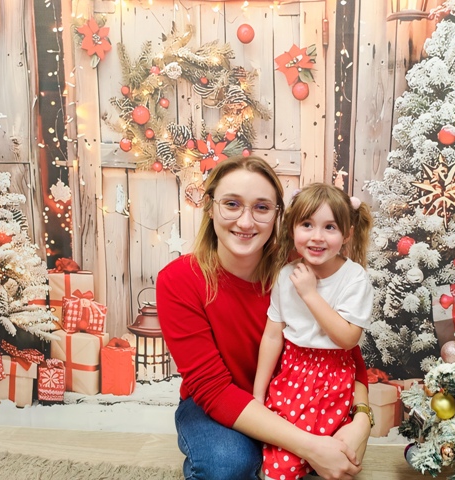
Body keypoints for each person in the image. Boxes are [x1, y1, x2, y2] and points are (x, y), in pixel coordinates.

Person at [156, 155, 373, 480]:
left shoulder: (300, 269)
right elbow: (212, 389)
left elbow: (343, 349)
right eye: (231, 204)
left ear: (277, 215)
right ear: (210, 207)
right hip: (216, 404)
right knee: (228, 465)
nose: (246, 222)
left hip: (293, 398)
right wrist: (311, 446)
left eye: (261, 207)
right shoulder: (179, 280)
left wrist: (363, 420)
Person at [253, 183, 374, 480]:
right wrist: (257, 396)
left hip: (335, 378)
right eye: (307, 224)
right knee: (281, 466)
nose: (317, 236)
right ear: (292, 228)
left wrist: (310, 294)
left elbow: (348, 338)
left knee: (339, 460)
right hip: (293, 375)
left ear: (347, 234)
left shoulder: (354, 278)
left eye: (330, 227)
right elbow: (272, 336)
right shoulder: (286, 275)